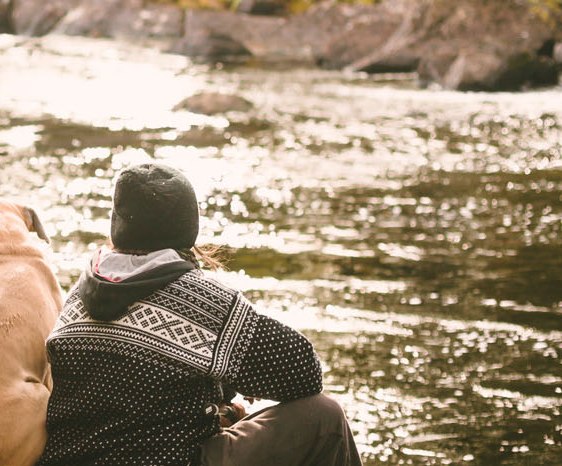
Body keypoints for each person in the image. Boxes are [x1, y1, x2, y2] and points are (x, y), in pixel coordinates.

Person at [37, 162, 361, 466]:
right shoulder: (202, 301)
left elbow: (132, 389)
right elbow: (304, 371)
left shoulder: (80, 295)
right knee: (324, 417)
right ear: (187, 229)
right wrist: (228, 378)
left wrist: (218, 392)